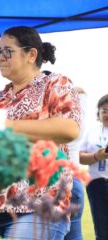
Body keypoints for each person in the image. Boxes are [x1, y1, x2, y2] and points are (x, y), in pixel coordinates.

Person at [0, 26, 80, 239]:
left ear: (31, 54)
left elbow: (68, 128)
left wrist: (7, 126)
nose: (0, 57)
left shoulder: (54, 84)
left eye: (7, 51)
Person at [80, 94, 108, 240]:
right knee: (102, 230)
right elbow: (79, 157)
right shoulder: (91, 132)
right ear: (98, 113)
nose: (107, 114)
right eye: (104, 111)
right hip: (96, 184)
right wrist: (96, 156)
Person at [65, 87, 87, 240]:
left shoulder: (46, 121)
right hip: (76, 180)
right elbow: (81, 92)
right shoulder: (79, 119)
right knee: (74, 234)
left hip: (53, 183)